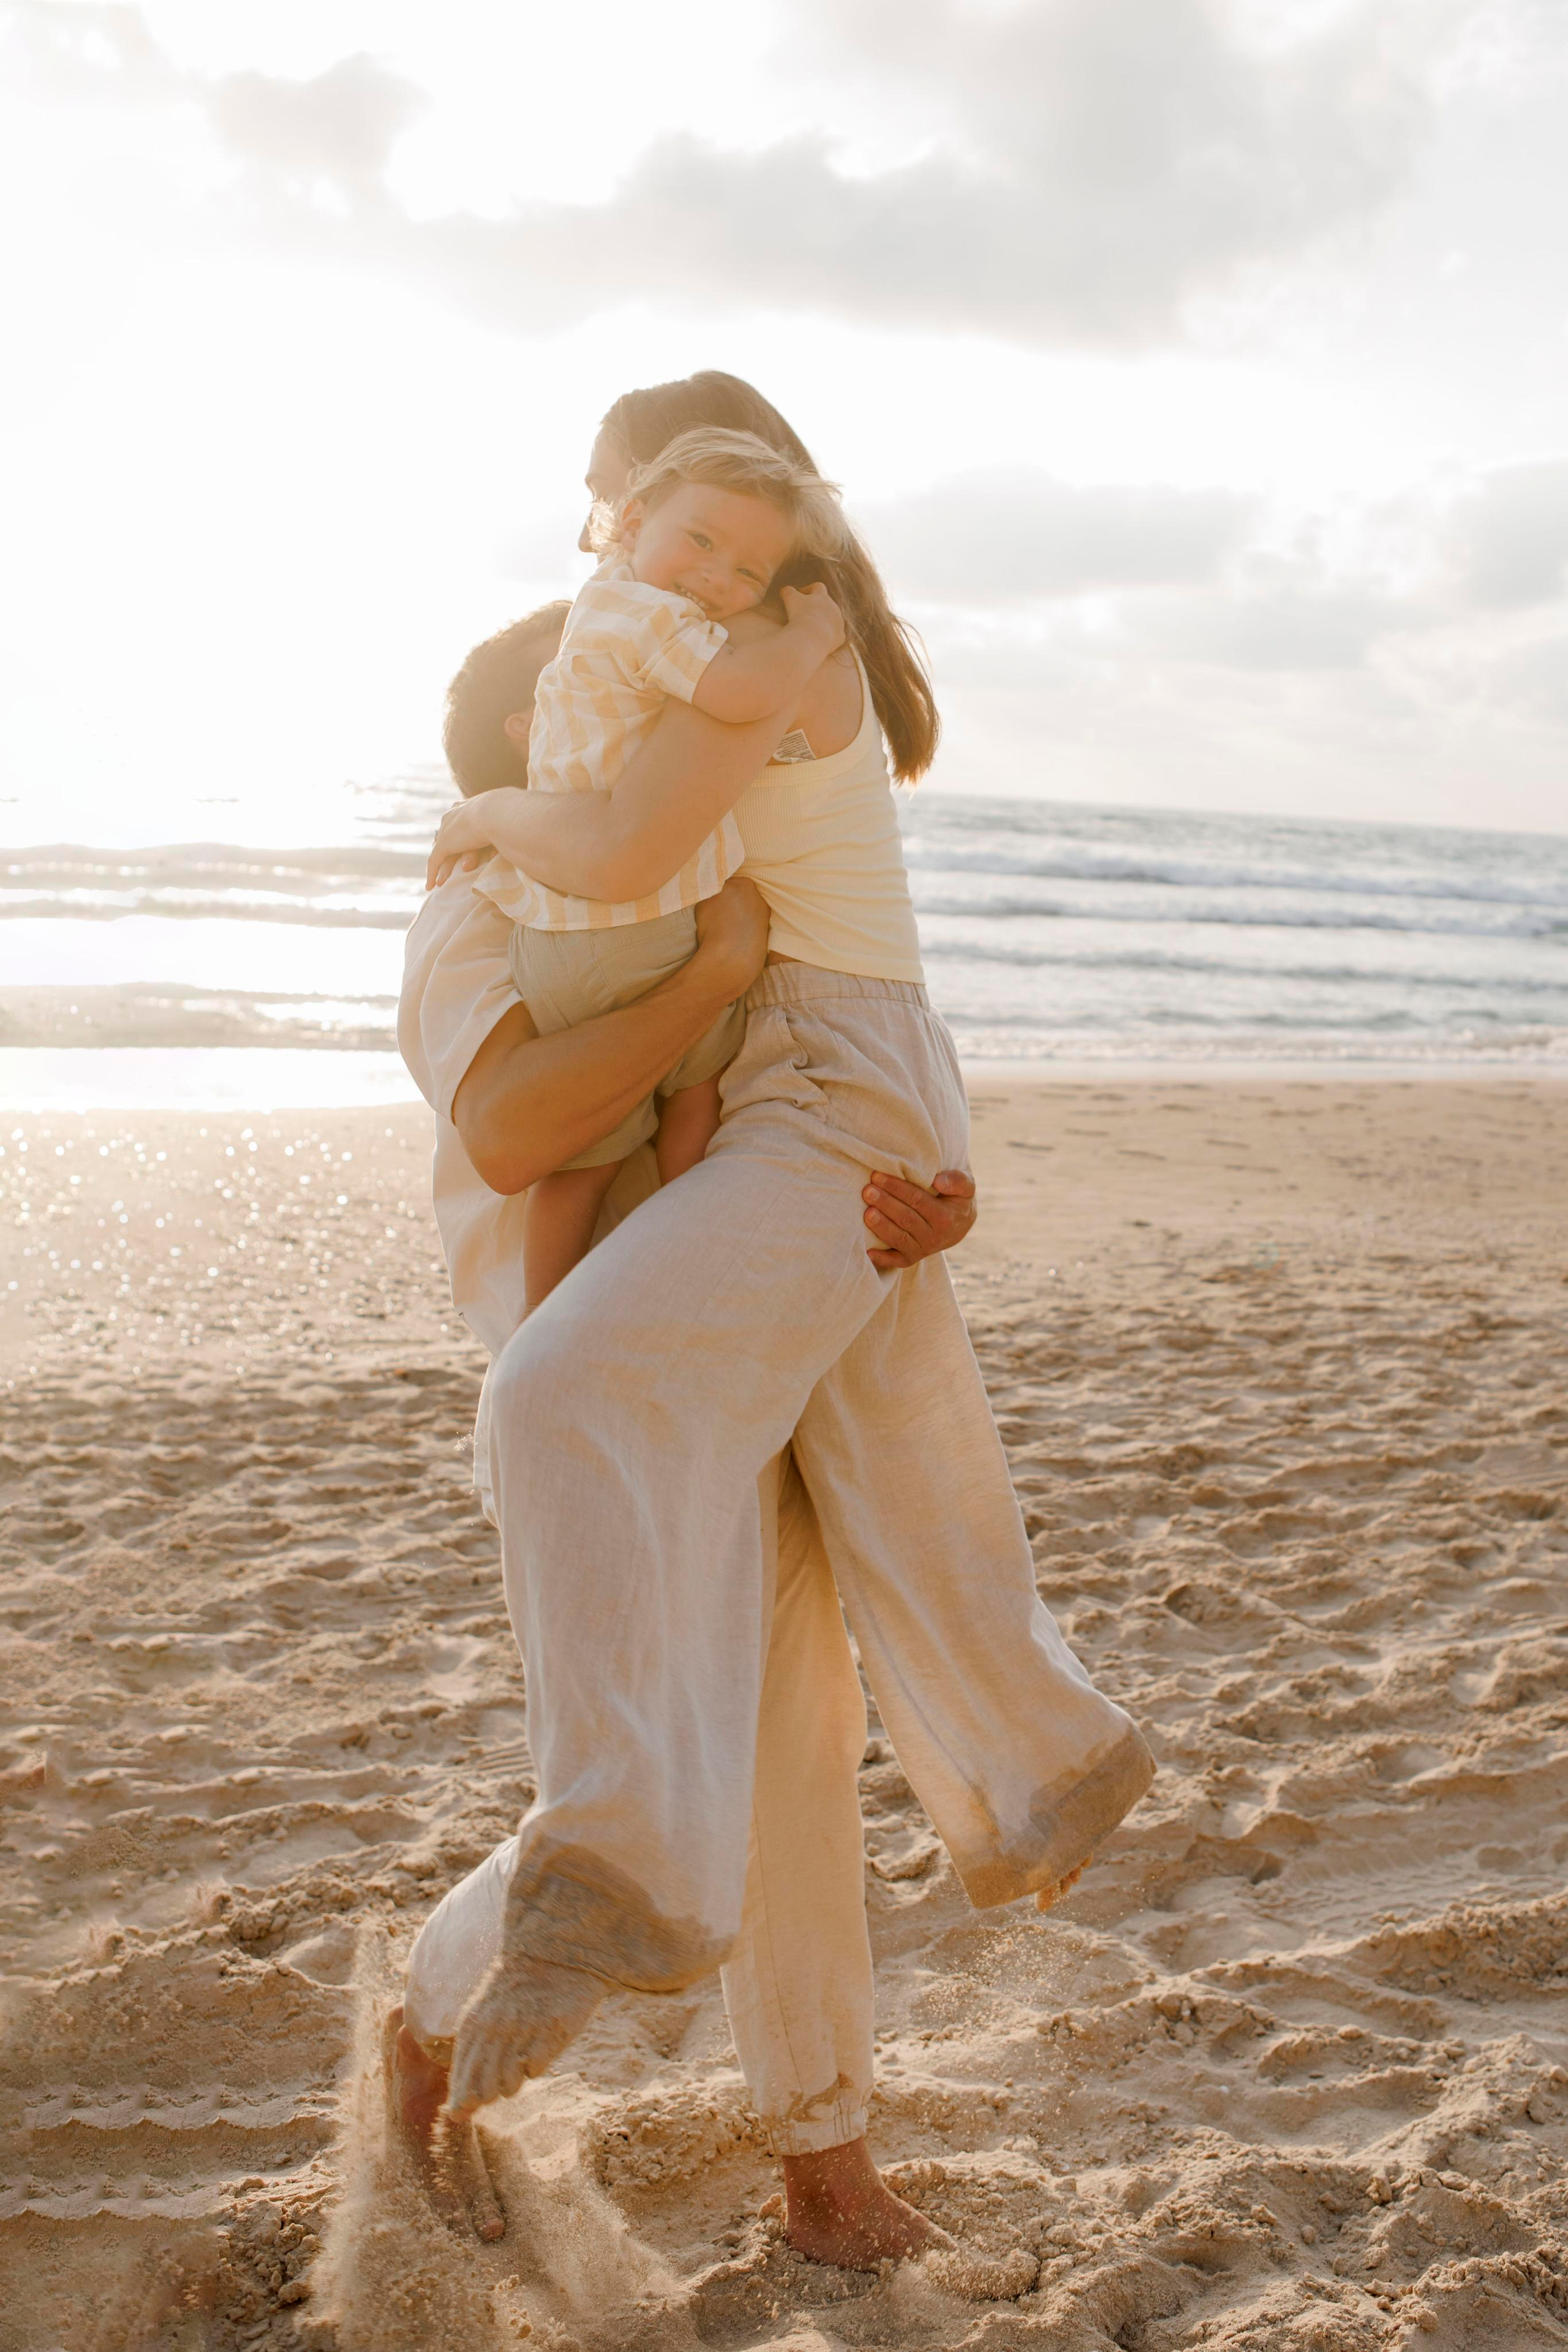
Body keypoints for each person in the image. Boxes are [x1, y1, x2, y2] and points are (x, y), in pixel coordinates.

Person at [394, 371, 1155, 2271]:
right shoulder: (482, 894)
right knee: (696, 1745)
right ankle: (434, 2012)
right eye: (624, 520)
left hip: (760, 1314)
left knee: (795, 1749)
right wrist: (708, 968)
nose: (624, 560)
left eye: (643, 515)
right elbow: (515, 1126)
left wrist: (929, 1175)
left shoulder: (709, 825)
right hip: (637, 1349)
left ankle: (823, 2163)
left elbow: (840, 1029)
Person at [448, 430, 848, 1308]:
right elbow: (744, 689)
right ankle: (664, 1269)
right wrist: (814, 631)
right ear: (631, 522)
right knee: (679, 1109)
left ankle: (561, 1313)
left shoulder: (609, 600)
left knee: (599, 1157)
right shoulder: (648, 616)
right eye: (700, 540)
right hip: (621, 932)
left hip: (581, 930)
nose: (715, 578)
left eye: (748, 573)